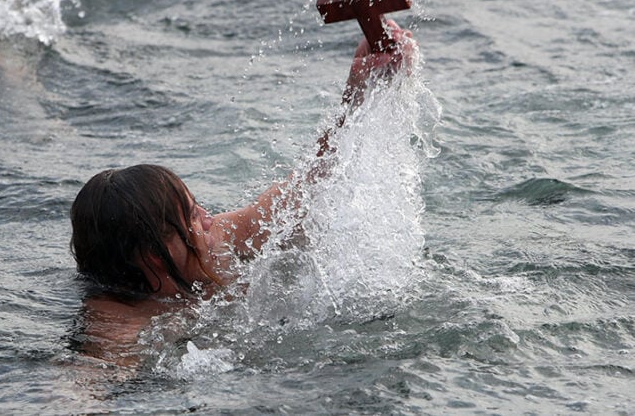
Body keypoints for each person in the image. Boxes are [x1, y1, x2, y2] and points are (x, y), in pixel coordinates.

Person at [69, 20, 415, 363]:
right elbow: (83, 388)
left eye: (197, 207)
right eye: (192, 216)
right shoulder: (117, 323)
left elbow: (306, 190)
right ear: (156, 256)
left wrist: (357, 92)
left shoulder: (214, 242)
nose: (209, 218)